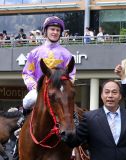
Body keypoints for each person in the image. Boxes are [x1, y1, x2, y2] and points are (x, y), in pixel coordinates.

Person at [13, 16, 76, 160]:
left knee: (72, 110)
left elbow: (71, 74)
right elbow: (27, 73)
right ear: (45, 31)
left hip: (59, 91)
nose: (55, 32)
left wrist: (64, 87)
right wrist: (35, 87)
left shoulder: (66, 54)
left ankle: (75, 142)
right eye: (52, 29)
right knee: (27, 102)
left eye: (57, 30)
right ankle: (19, 130)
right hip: (39, 90)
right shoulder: (35, 53)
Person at [62, 80, 126, 160]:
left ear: (120, 96)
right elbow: (73, 141)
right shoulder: (90, 118)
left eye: (114, 92)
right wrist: (66, 126)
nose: (110, 95)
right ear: (101, 95)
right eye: (107, 92)